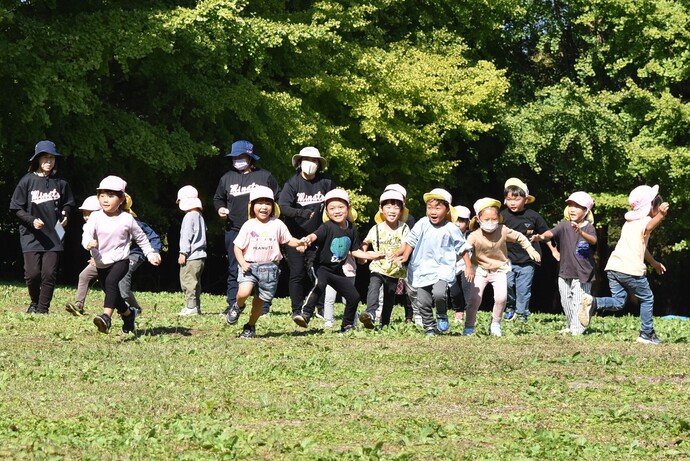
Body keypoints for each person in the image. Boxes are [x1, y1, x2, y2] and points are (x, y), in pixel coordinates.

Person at [579, 185, 669, 344]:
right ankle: (646, 334)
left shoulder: (629, 223)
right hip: (630, 268)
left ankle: (594, 302)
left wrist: (654, 263)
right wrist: (660, 216)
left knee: (619, 301)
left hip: (614, 267)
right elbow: (649, 226)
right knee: (647, 298)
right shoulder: (645, 220)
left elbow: (642, 247)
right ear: (651, 207)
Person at [83, 176, 161, 334]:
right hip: (101, 262)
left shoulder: (127, 219)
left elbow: (142, 239)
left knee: (112, 283)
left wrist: (151, 253)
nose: (105, 199)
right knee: (112, 293)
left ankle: (106, 317)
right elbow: (86, 234)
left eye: (111, 196)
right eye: (102, 195)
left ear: (121, 200)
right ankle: (128, 314)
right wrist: (88, 243)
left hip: (121, 260)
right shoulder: (95, 217)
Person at [227, 186, 306, 337]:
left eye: (268, 203)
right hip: (249, 265)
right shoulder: (248, 225)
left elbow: (289, 240)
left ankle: (250, 326)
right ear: (252, 206)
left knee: (260, 302)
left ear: (273, 206)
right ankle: (238, 306)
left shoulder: (278, 224)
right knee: (243, 292)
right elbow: (237, 247)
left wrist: (300, 243)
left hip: (270, 269)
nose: (264, 207)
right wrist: (242, 263)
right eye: (259, 203)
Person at [213, 140, 281, 316]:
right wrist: (220, 208)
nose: (237, 160)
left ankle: (263, 307)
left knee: (264, 269)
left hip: (261, 231)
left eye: (241, 157)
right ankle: (233, 305)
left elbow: (278, 198)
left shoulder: (264, 176)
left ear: (250, 158)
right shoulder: (227, 177)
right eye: (235, 157)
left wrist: (272, 218)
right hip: (235, 230)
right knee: (234, 267)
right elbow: (218, 198)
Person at [294, 189, 375, 332]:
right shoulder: (327, 227)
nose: (336, 211)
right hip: (321, 267)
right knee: (321, 283)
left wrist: (373, 256)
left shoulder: (351, 229)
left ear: (348, 209)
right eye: (332, 208)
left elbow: (355, 251)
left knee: (354, 297)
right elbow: (314, 236)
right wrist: (307, 240)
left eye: (340, 207)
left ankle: (347, 324)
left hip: (338, 270)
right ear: (326, 212)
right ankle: (306, 314)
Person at [10, 140, 76, 314]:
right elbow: (16, 208)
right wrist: (31, 220)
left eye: (52, 158)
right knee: (32, 274)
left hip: (56, 231)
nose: (49, 161)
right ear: (38, 159)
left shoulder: (61, 182)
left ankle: (42, 309)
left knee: (49, 273)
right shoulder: (27, 181)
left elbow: (69, 204)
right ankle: (34, 302)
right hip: (31, 234)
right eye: (45, 157)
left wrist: (66, 214)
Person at [396, 188, 472, 336]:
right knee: (423, 301)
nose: (433, 212)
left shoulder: (451, 228)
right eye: (429, 208)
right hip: (422, 267)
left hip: (443, 268)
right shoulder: (422, 223)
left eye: (438, 208)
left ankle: (442, 313)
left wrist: (468, 266)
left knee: (439, 294)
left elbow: (462, 248)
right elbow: (411, 241)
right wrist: (405, 256)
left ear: (447, 210)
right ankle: (429, 327)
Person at [466, 198, 541, 337]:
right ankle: (469, 326)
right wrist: (466, 266)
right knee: (475, 299)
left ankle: (495, 323)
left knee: (501, 298)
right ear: (478, 219)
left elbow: (520, 237)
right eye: (486, 219)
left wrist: (530, 250)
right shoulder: (474, 236)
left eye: (494, 219)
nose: (490, 222)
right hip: (480, 270)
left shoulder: (503, 230)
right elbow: (463, 250)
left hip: (499, 269)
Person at [278, 147, 335, 319]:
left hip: (319, 235)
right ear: (299, 162)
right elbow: (283, 207)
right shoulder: (292, 183)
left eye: (314, 160)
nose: (310, 163)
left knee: (319, 273)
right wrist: (302, 212)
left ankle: (321, 308)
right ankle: (296, 309)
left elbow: (335, 204)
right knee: (297, 273)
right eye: (307, 160)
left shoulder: (326, 182)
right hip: (295, 236)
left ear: (319, 164)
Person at [532, 192, 597, 335]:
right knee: (566, 301)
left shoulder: (588, 227)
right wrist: (541, 236)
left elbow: (593, 240)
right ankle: (571, 325)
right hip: (565, 271)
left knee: (579, 301)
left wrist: (580, 232)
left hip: (583, 273)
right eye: (570, 206)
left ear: (586, 211)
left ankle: (577, 329)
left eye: (577, 207)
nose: (572, 209)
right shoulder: (564, 225)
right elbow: (551, 233)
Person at [359, 189, 410, 328]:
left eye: (396, 207)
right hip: (378, 266)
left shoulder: (404, 228)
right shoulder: (376, 228)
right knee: (373, 287)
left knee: (390, 296)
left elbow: (405, 245)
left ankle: (385, 322)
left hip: (394, 270)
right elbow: (366, 241)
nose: (392, 210)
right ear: (381, 209)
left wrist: (397, 252)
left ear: (401, 210)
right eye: (388, 207)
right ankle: (370, 313)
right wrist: (363, 255)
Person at [500, 177, 550, 323]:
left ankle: (522, 314)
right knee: (507, 285)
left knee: (523, 289)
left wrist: (552, 249)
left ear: (526, 200)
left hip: (528, 260)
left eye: (516, 199)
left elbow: (547, 233)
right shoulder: (501, 216)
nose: (513, 203)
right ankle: (510, 308)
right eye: (509, 199)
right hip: (506, 259)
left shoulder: (533, 216)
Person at [120, 194, 162, 316]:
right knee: (117, 278)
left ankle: (124, 306)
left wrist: (155, 252)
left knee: (125, 272)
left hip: (135, 254)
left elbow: (153, 237)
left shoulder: (136, 223)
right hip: (120, 255)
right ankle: (135, 307)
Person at [65, 195, 101, 316]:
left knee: (115, 286)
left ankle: (130, 307)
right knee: (84, 276)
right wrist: (94, 257)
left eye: (89, 213)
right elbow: (85, 242)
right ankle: (79, 305)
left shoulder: (106, 226)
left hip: (112, 262)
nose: (86, 217)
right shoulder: (87, 227)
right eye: (84, 214)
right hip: (98, 261)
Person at [176, 185, 207, 316]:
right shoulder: (199, 216)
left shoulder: (189, 217)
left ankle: (191, 307)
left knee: (187, 281)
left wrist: (183, 252)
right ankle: (196, 306)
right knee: (196, 282)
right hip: (201, 256)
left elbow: (186, 235)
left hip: (191, 256)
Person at [448, 205, 473, 324]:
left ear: (468, 223)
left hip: (466, 266)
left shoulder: (470, 236)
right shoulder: (446, 233)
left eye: (462, 221)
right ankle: (458, 310)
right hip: (450, 267)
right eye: (456, 220)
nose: (458, 224)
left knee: (468, 289)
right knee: (454, 291)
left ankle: (470, 314)